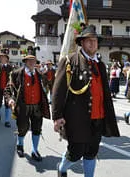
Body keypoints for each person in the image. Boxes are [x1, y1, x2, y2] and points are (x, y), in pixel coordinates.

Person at [52, 25, 120, 177]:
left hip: (98, 118)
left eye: (95, 41)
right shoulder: (69, 61)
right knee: (76, 152)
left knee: (91, 152)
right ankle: (62, 168)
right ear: (81, 43)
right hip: (77, 118)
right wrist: (57, 116)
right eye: (88, 40)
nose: (92, 43)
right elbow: (58, 91)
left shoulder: (100, 65)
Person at [4, 50, 50, 161]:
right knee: (23, 128)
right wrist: (10, 100)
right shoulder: (16, 74)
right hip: (23, 106)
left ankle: (35, 150)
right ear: (25, 62)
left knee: (37, 129)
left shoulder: (39, 75)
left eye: (33, 61)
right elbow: (8, 89)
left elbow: (46, 88)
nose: (31, 62)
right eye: (29, 61)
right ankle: (20, 145)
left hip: (37, 107)